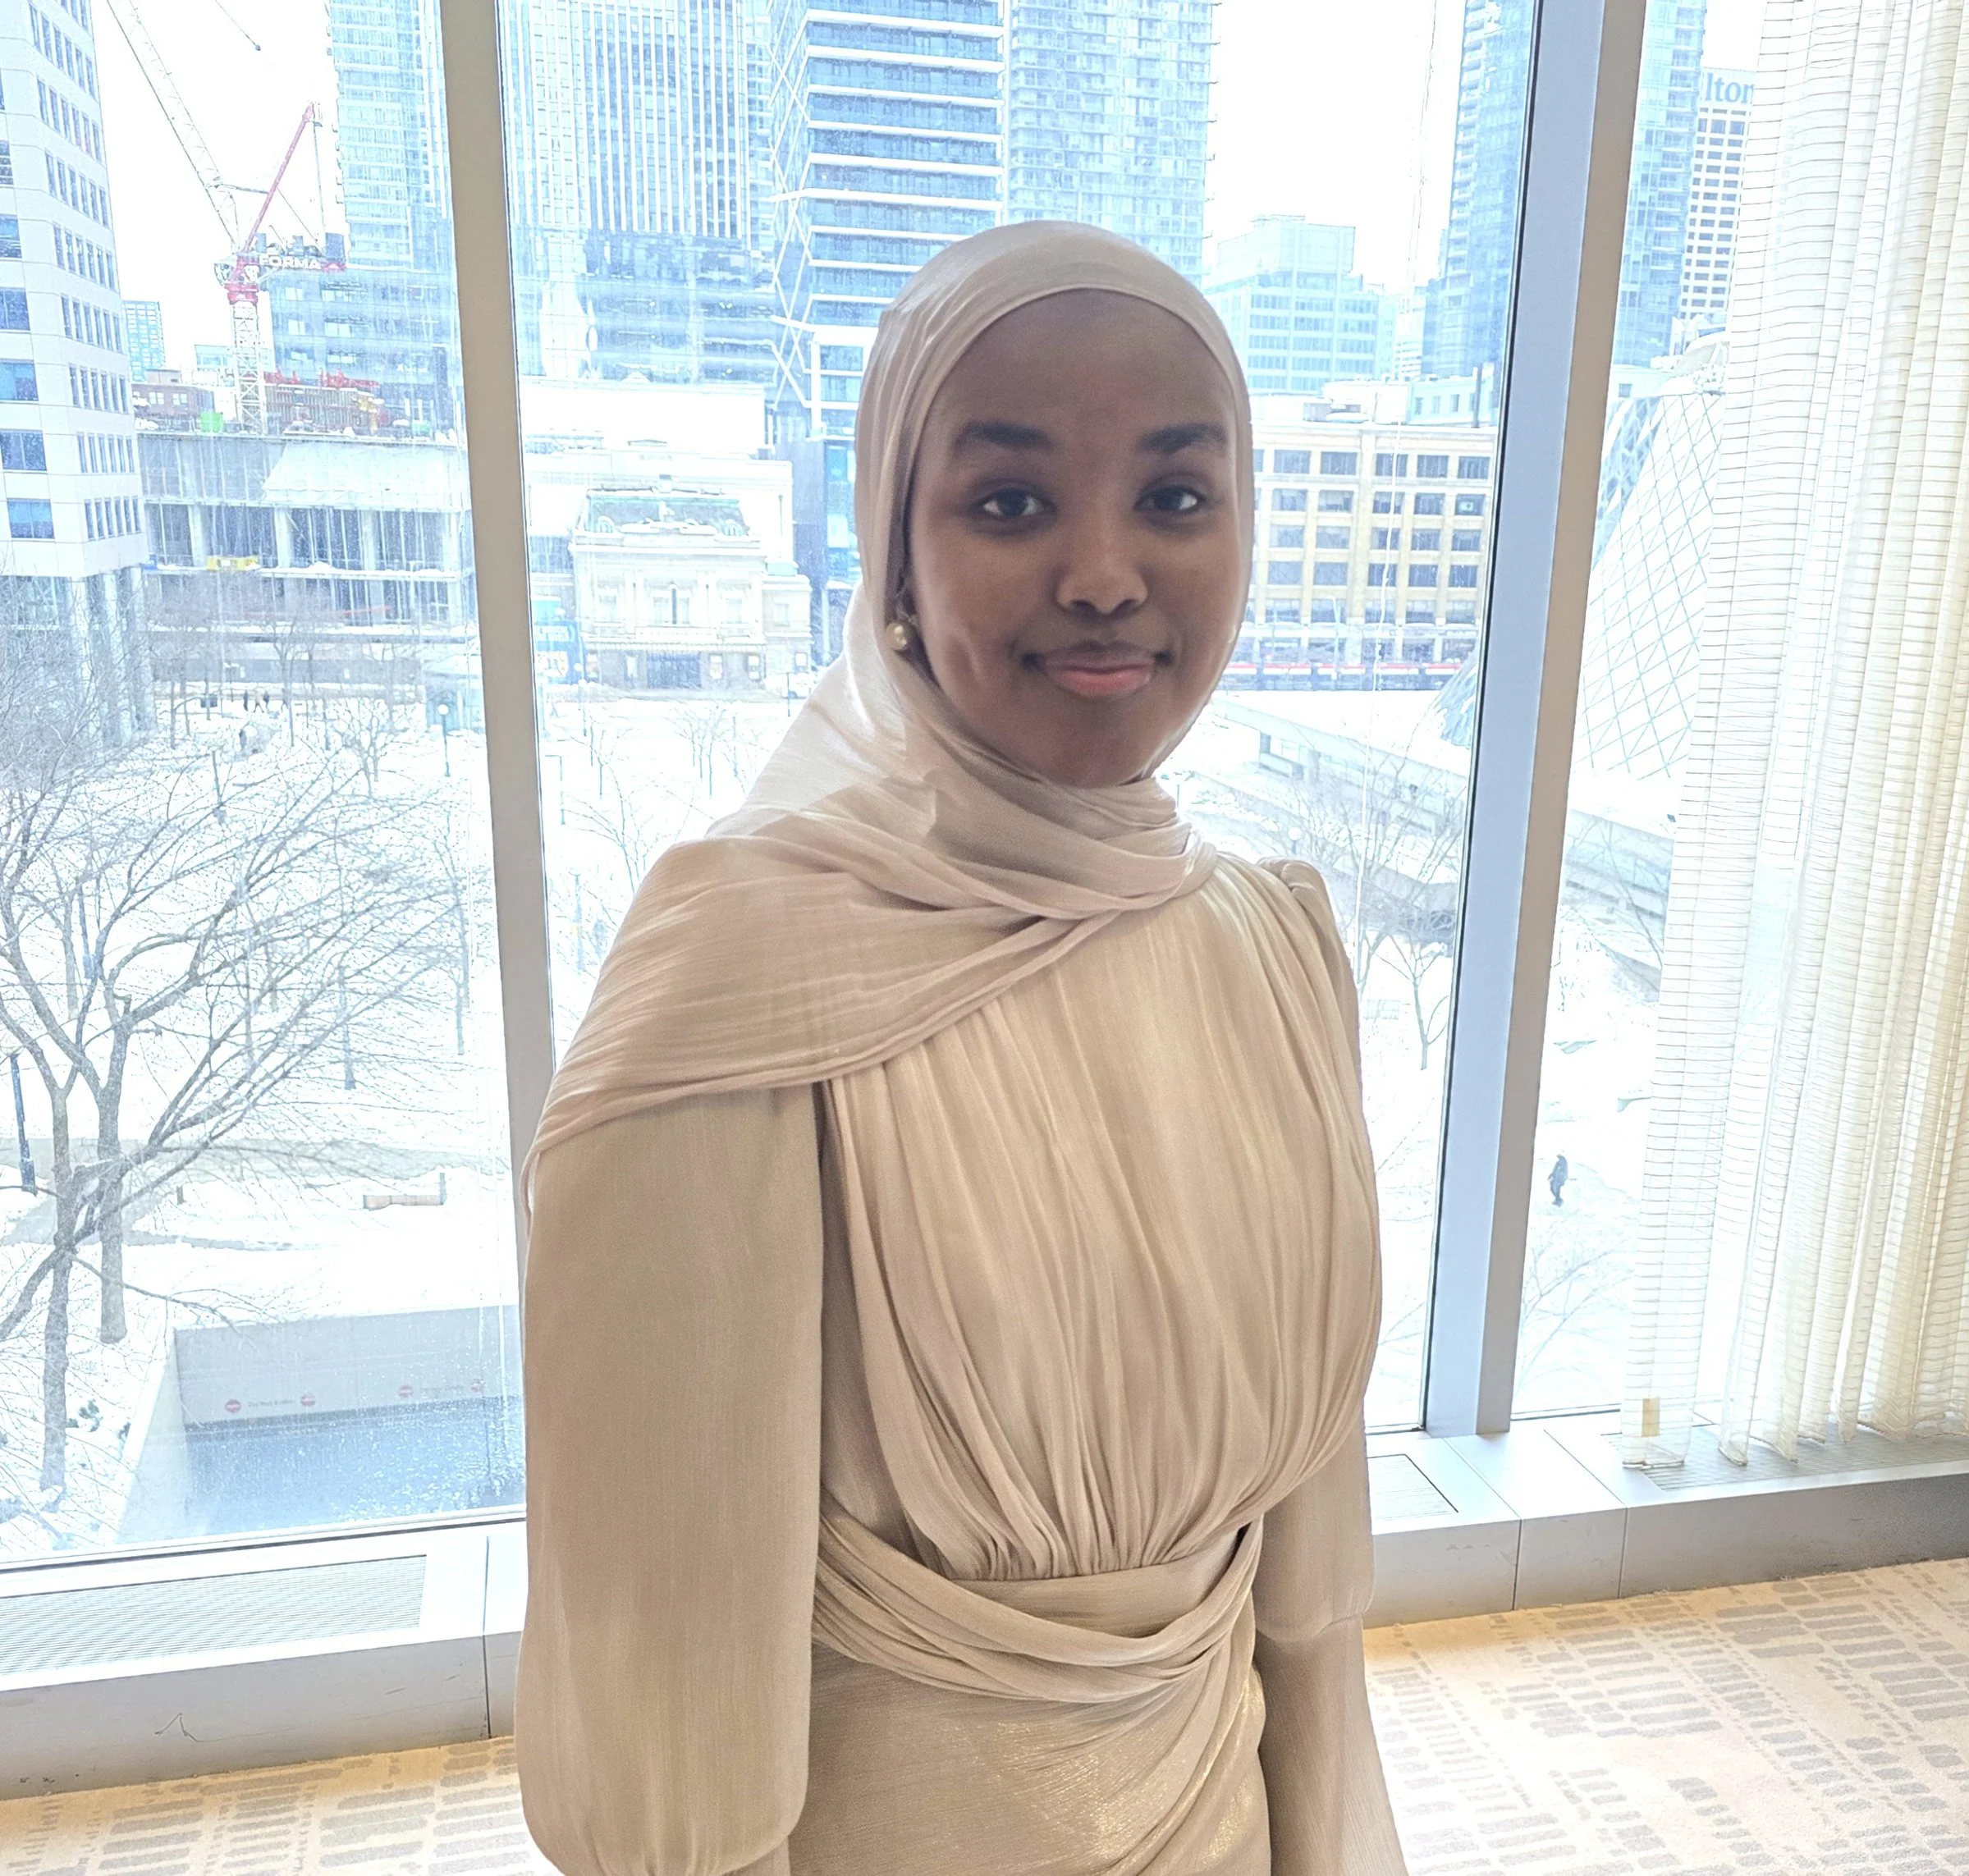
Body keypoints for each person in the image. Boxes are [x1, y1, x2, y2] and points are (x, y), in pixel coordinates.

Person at [517, 222, 1408, 1876]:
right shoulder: (739, 977)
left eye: (1174, 494)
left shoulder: (1276, 948)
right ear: (892, 558)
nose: (1104, 572)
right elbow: (669, 1722)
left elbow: (1306, 1603)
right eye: (1008, 503)